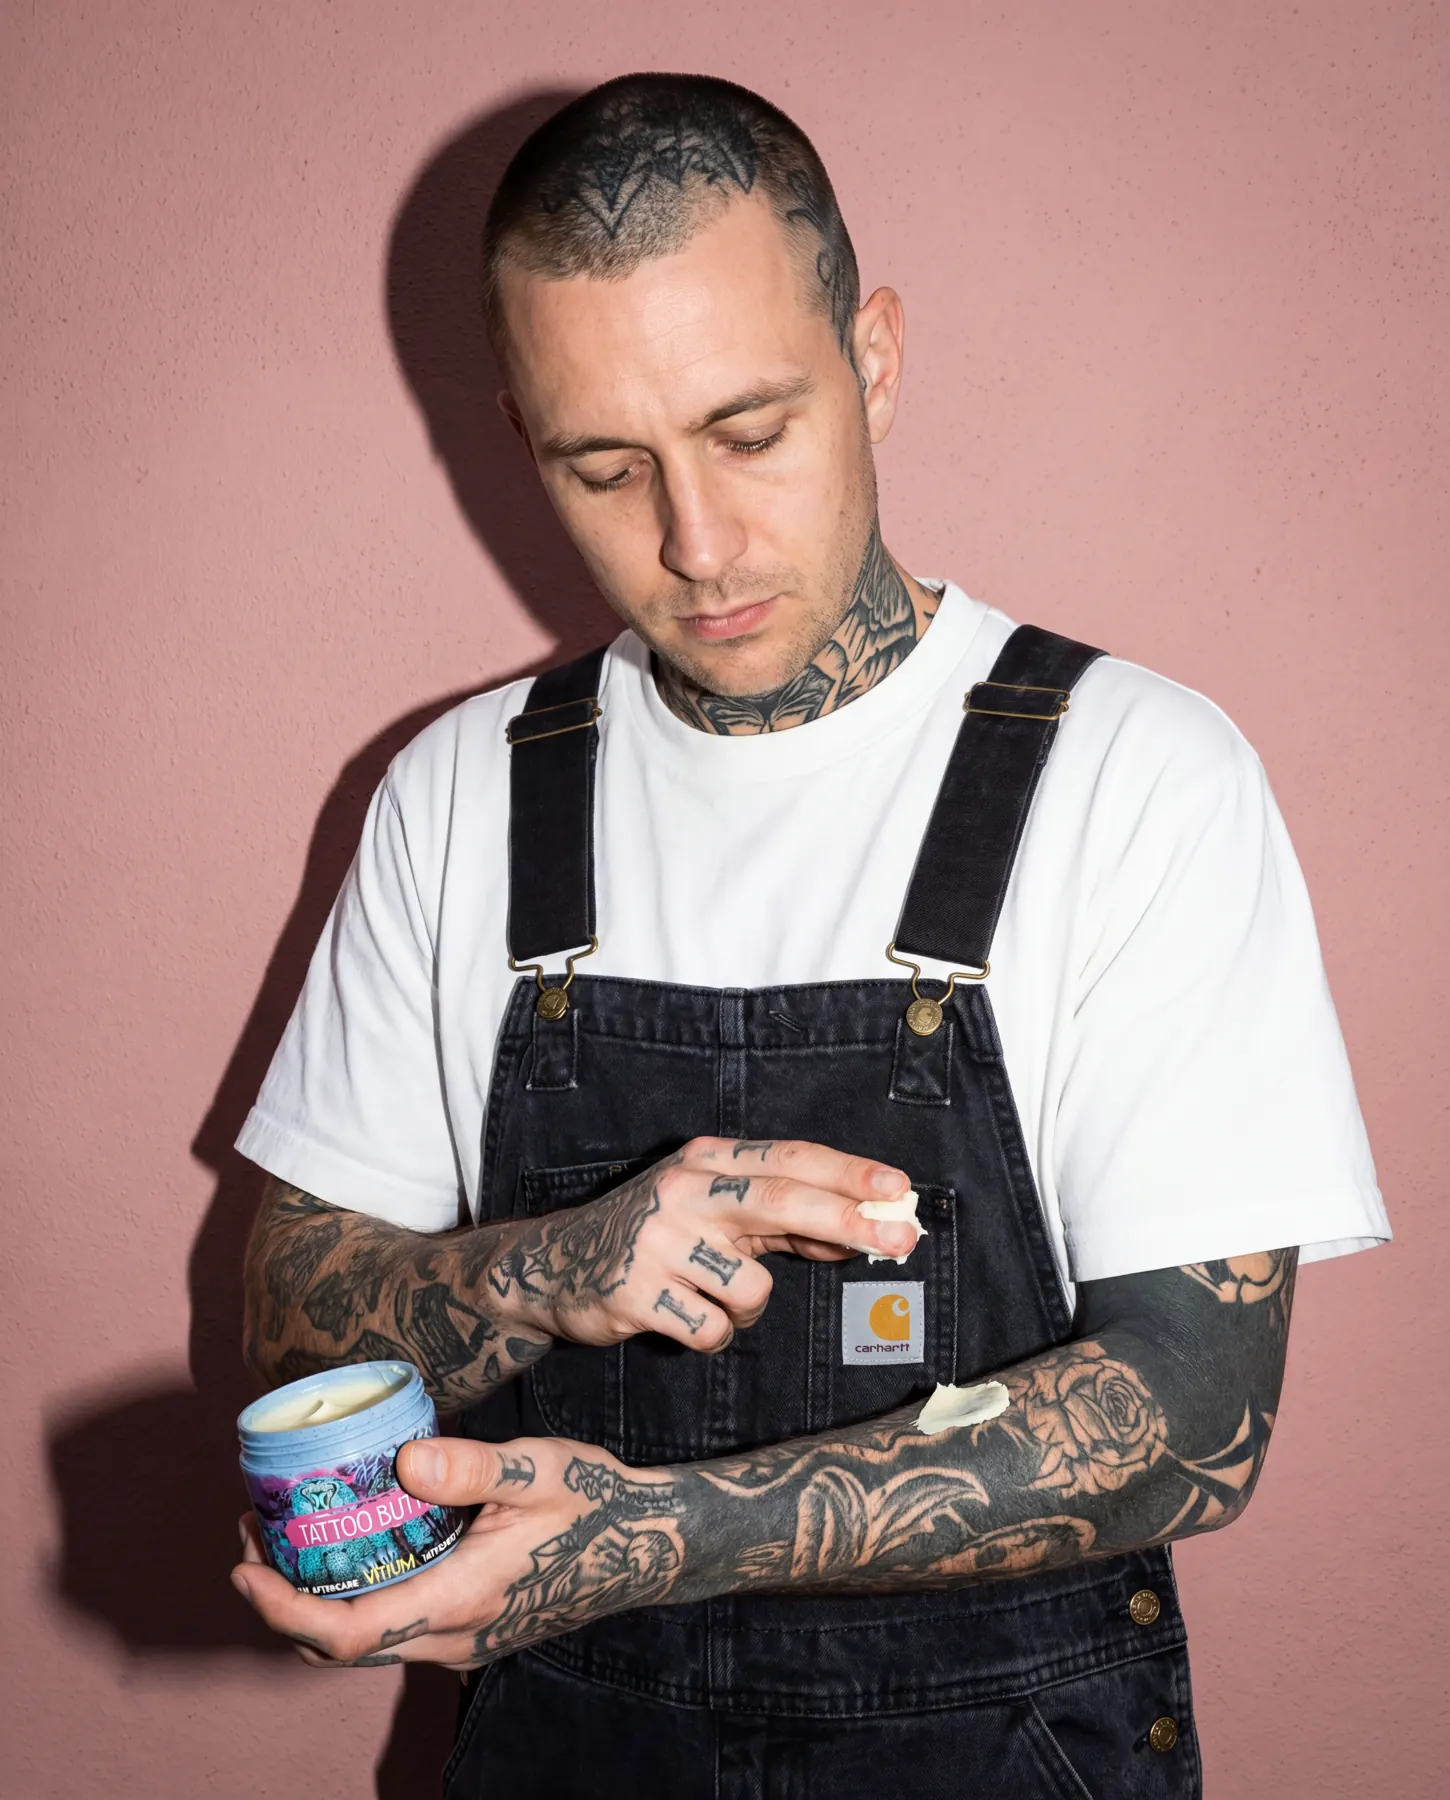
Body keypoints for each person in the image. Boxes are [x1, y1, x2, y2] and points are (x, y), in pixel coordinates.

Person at [229, 73, 1388, 1798]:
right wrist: (552, 1263)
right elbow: (290, 1316)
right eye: (604, 466)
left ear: (878, 360)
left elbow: (1194, 1421)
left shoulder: (1135, 773)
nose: (693, 545)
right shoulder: (458, 794)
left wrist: (647, 1537)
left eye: (749, 431)